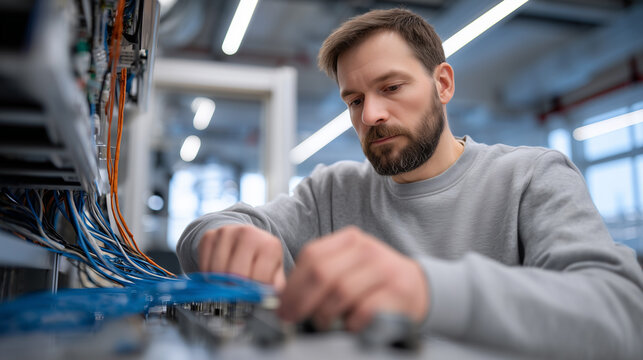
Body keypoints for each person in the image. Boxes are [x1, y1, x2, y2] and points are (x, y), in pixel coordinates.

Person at [177, 8, 643, 358]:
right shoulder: (333, 191)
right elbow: (211, 231)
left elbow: (621, 314)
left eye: (392, 88)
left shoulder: (531, 176)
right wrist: (221, 238)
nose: (371, 115)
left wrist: (423, 289)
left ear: (442, 84)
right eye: (355, 100)